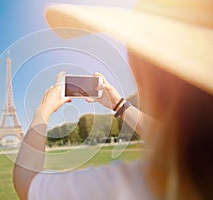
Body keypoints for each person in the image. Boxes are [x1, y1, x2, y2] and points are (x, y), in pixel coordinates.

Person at [13, 0, 213, 199]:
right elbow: (177, 141)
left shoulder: (134, 185)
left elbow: (26, 181)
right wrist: (120, 105)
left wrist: (43, 112)